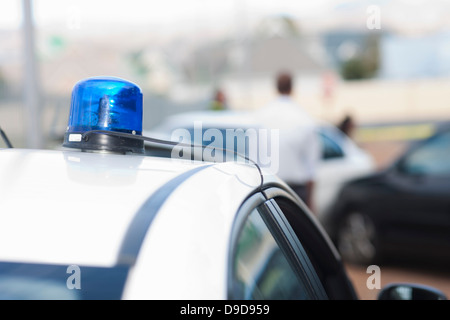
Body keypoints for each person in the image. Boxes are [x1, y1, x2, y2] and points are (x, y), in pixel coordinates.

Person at [256, 72, 321, 212]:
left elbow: (254, 159)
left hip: (266, 190)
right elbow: (311, 168)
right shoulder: (304, 118)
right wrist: (310, 201)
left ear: (276, 88)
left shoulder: (260, 117)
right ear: (292, 88)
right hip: (296, 192)